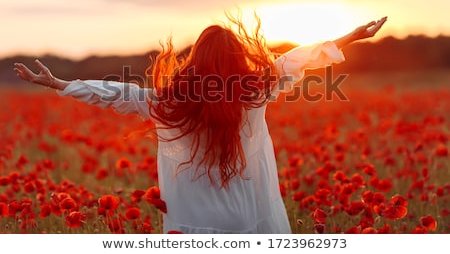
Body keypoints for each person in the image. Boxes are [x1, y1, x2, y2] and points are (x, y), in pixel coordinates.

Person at [14, 15, 387, 233]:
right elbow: (293, 61)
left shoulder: (166, 103)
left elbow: (115, 93)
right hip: (250, 218)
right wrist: (351, 37)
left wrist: (61, 84)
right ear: (238, 60)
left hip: (192, 223)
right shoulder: (254, 94)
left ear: (194, 61)